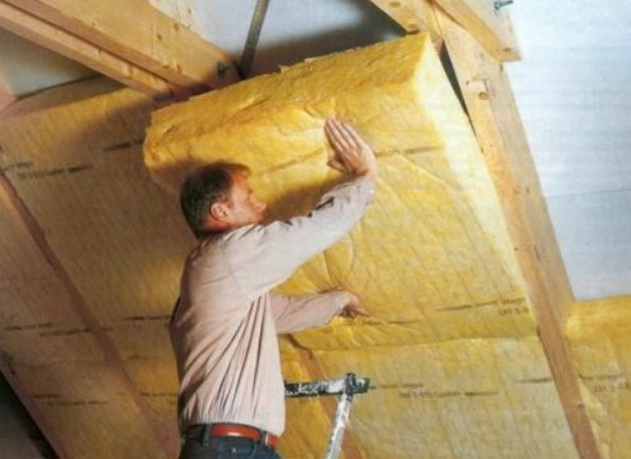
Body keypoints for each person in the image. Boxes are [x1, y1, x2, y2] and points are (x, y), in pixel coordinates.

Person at [170, 119, 378, 458]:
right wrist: (365, 176)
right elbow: (315, 231)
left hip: (228, 448)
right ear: (221, 211)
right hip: (231, 450)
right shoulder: (229, 253)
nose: (261, 205)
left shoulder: (216, 276)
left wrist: (339, 301)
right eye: (248, 197)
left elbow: (277, 314)